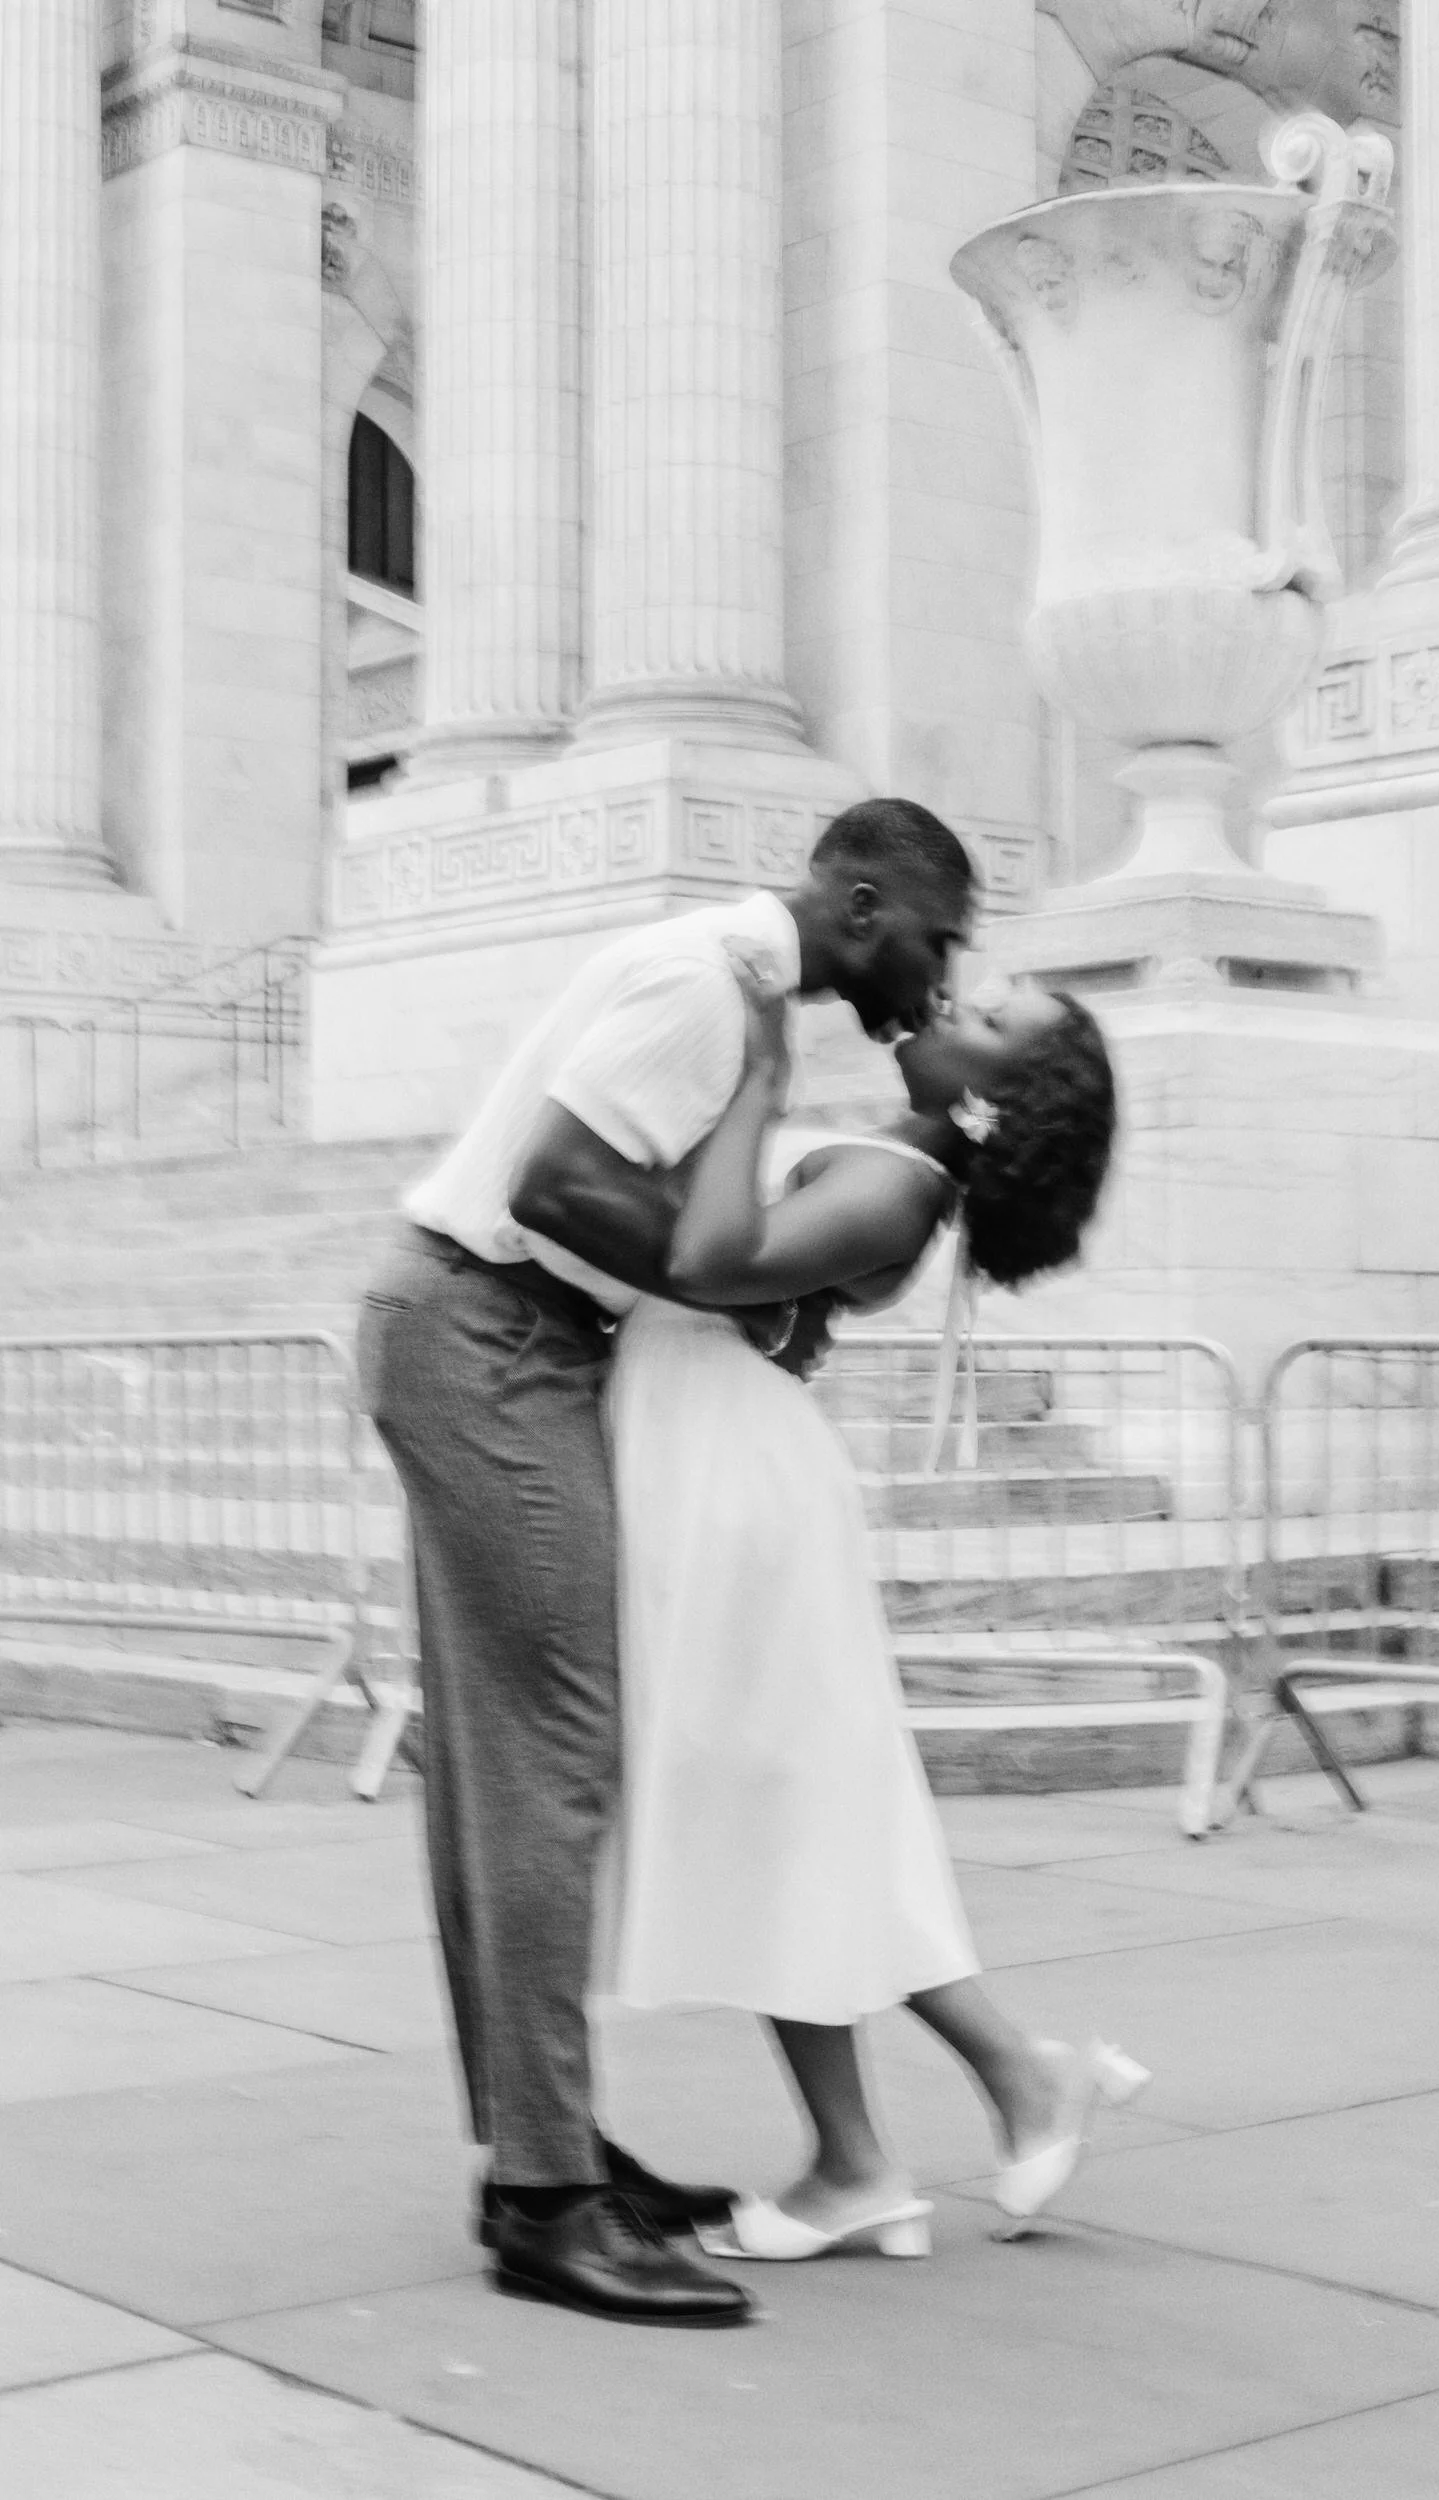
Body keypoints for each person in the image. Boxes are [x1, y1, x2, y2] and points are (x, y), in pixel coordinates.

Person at [357, 799, 976, 2328]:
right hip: (490, 1339)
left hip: (499, 1341)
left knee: (520, 1759)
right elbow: (556, 1187)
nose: (944, 970)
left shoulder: (733, 991)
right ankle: (548, 2203)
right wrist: (744, 1298)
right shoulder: (710, 986)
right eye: (936, 933)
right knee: (553, 1757)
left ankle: (539, 2150)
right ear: (859, 893)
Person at [598, 951, 1149, 2261]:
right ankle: (942, 2121)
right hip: (706, 1467)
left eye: (991, 1019)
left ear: (999, 1102)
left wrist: (751, 1080)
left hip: (733, 1491)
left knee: (788, 1820)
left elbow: (708, 1258)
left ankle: (905, 2142)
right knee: (795, 1825)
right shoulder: (892, 1156)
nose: (954, 1001)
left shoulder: (899, 1188)